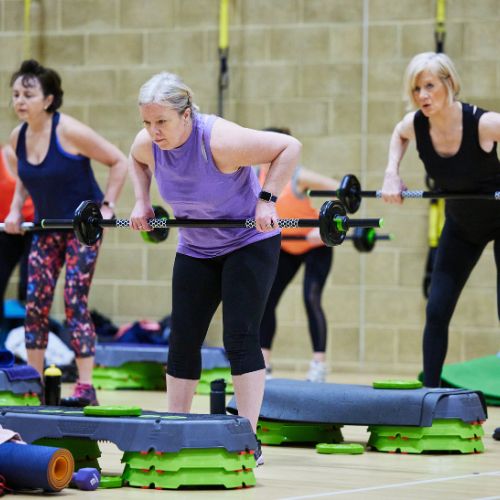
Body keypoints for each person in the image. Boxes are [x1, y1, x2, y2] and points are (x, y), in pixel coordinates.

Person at [128, 71, 301, 464]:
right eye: (147, 122)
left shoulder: (219, 140)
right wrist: (141, 202)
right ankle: (174, 430)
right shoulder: (147, 144)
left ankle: (248, 438)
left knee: (239, 338)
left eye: (162, 122)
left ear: (186, 115)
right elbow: (135, 160)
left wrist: (268, 199)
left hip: (247, 243)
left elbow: (289, 146)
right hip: (196, 247)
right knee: (183, 339)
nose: (154, 131)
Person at [4, 60, 128, 405]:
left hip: (81, 230)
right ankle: (33, 384)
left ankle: (86, 387)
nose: (19, 101)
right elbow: (25, 179)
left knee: (74, 301)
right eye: (15, 94)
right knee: (35, 305)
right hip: (46, 229)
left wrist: (107, 205)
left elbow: (119, 161)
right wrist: (15, 210)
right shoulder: (18, 137)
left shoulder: (69, 131)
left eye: (28, 94)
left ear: (48, 100)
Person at [380, 52, 500, 387]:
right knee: (436, 310)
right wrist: (392, 174)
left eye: (430, 86)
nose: (423, 95)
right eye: (417, 88)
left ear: (449, 84)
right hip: (462, 226)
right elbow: (398, 134)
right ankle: (428, 398)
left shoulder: (484, 123)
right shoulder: (415, 124)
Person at [257, 127, 340, 383]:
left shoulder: (297, 176)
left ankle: (319, 365)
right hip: (286, 245)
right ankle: (264, 364)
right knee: (267, 300)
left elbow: (340, 190)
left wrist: (324, 227)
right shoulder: (252, 175)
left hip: (315, 245)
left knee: (311, 297)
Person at [0, 143, 34, 334]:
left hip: (34, 228)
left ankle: (29, 339)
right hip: (6, 229)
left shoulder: (38, 160)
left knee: (30, 286)